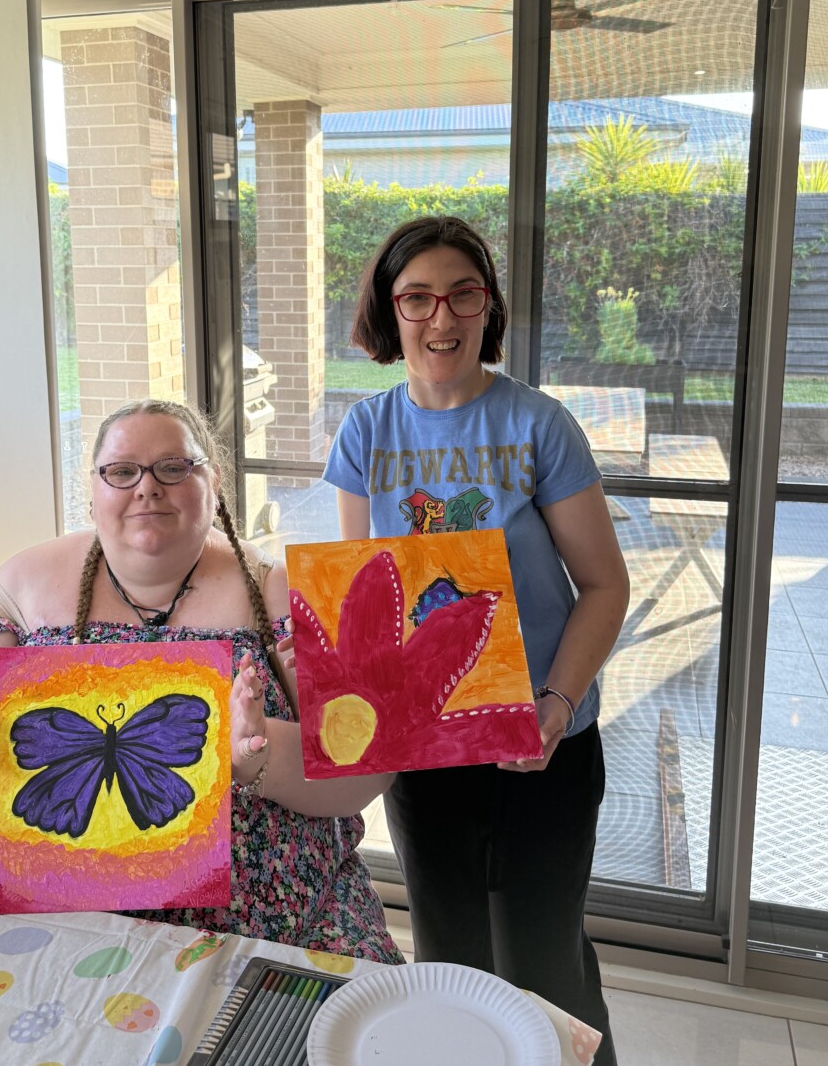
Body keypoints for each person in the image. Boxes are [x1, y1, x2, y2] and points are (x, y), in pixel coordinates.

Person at [0, 398, 402, 964]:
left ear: (215, 481)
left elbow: (366, 769)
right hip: (34, 914)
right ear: (94, 489)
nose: (147, 488)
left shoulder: (284, 594)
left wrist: (260, 755)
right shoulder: (25, 583)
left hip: (268, 929)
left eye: (174, 468)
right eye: (122, 471)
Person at [323, 215, 629, 1060]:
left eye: (463, 293)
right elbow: (362, 597)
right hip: (426, 750)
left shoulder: (539, 425)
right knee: (450, 961)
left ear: (487, 306)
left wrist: (556, 705)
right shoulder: (366, 432)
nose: (442, 317)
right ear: (391, 313)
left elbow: (605, 587)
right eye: (416, 297)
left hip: (546, 739)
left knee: (546, 963)